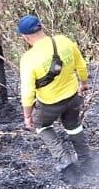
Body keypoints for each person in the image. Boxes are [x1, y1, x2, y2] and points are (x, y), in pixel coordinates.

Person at [17, 15, 92, 175]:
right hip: (73, 97)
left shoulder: (28, 59)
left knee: (42, 125)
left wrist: (27, 116)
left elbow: (28, 91)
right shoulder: (64, 41)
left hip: (49, 104)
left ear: (25, 37)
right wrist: (84, 84)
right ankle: (86, 160)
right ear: (41, 27)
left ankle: (64, 160)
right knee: (73, 126)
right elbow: (81, 65)